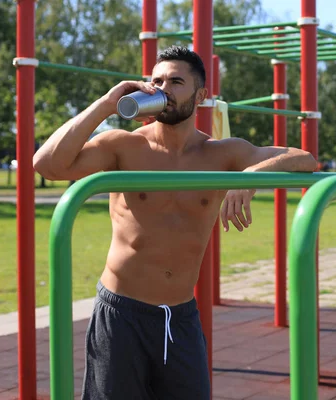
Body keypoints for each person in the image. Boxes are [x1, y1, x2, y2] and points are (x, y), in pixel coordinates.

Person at [33, 45, 317, 399]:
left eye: (175, 81)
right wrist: (107, 103)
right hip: (121, 314)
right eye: (157, 80)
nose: (163, 88)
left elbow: (304, 158)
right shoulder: (124, 146)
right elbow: (47, 164)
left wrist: (250, 175)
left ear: (201, 95)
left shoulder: (221, 154)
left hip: (179, 316)